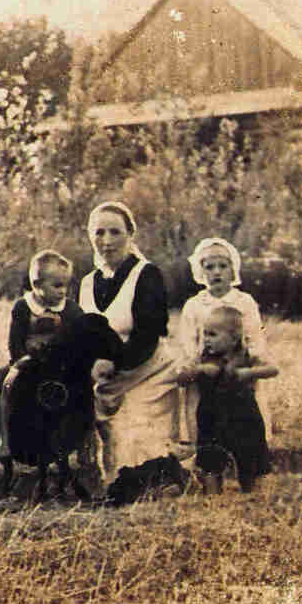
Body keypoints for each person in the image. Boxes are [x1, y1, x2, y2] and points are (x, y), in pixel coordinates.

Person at [76, 201, 189, 495]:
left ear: (130, 235)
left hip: (148, 372)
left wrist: (113, 364)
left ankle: (163, 479)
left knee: (134, 438)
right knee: (106, 445)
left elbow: (148, 335)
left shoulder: (147, 275)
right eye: (99, 233)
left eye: (115, 232)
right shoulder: (87, 283)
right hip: (106, 381)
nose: (107, 240)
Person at [173, 305, 278, 493]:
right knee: (210, 461)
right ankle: (213, 497)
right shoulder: (202, 358)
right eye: (204, 334)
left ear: (234, 338)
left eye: (212, 335)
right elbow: (180, 379)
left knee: (250, 456)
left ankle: (252, 492)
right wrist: (197, 371)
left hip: (244, 416)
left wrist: (248, 373)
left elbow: (273, 369)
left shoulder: (246, 356)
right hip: (211, 417)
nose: (206, 340)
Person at [178, 237, 274, 441]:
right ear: (201, 271)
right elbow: (188, 343)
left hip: (237, 372)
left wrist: (251, 364)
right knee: (204, 426)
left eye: (223, 266)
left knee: (244, 427)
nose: (216, 272)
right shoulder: (194, 305)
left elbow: (254, 337)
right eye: (209, 267)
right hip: (205, 376)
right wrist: (194, 366)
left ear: (233, 269)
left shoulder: (244, 302)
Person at [0, 249, 83, 458]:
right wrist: (21, 358)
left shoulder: (70, 309)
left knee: (83, 390)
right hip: (29, 361)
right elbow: (15, 340)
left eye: (65, 286)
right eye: (57, 286)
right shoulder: (24, 307)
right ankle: (4, 439)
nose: (63, 291)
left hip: (60, 363)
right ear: (37, 285)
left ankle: (83, 442)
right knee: (8, 385)